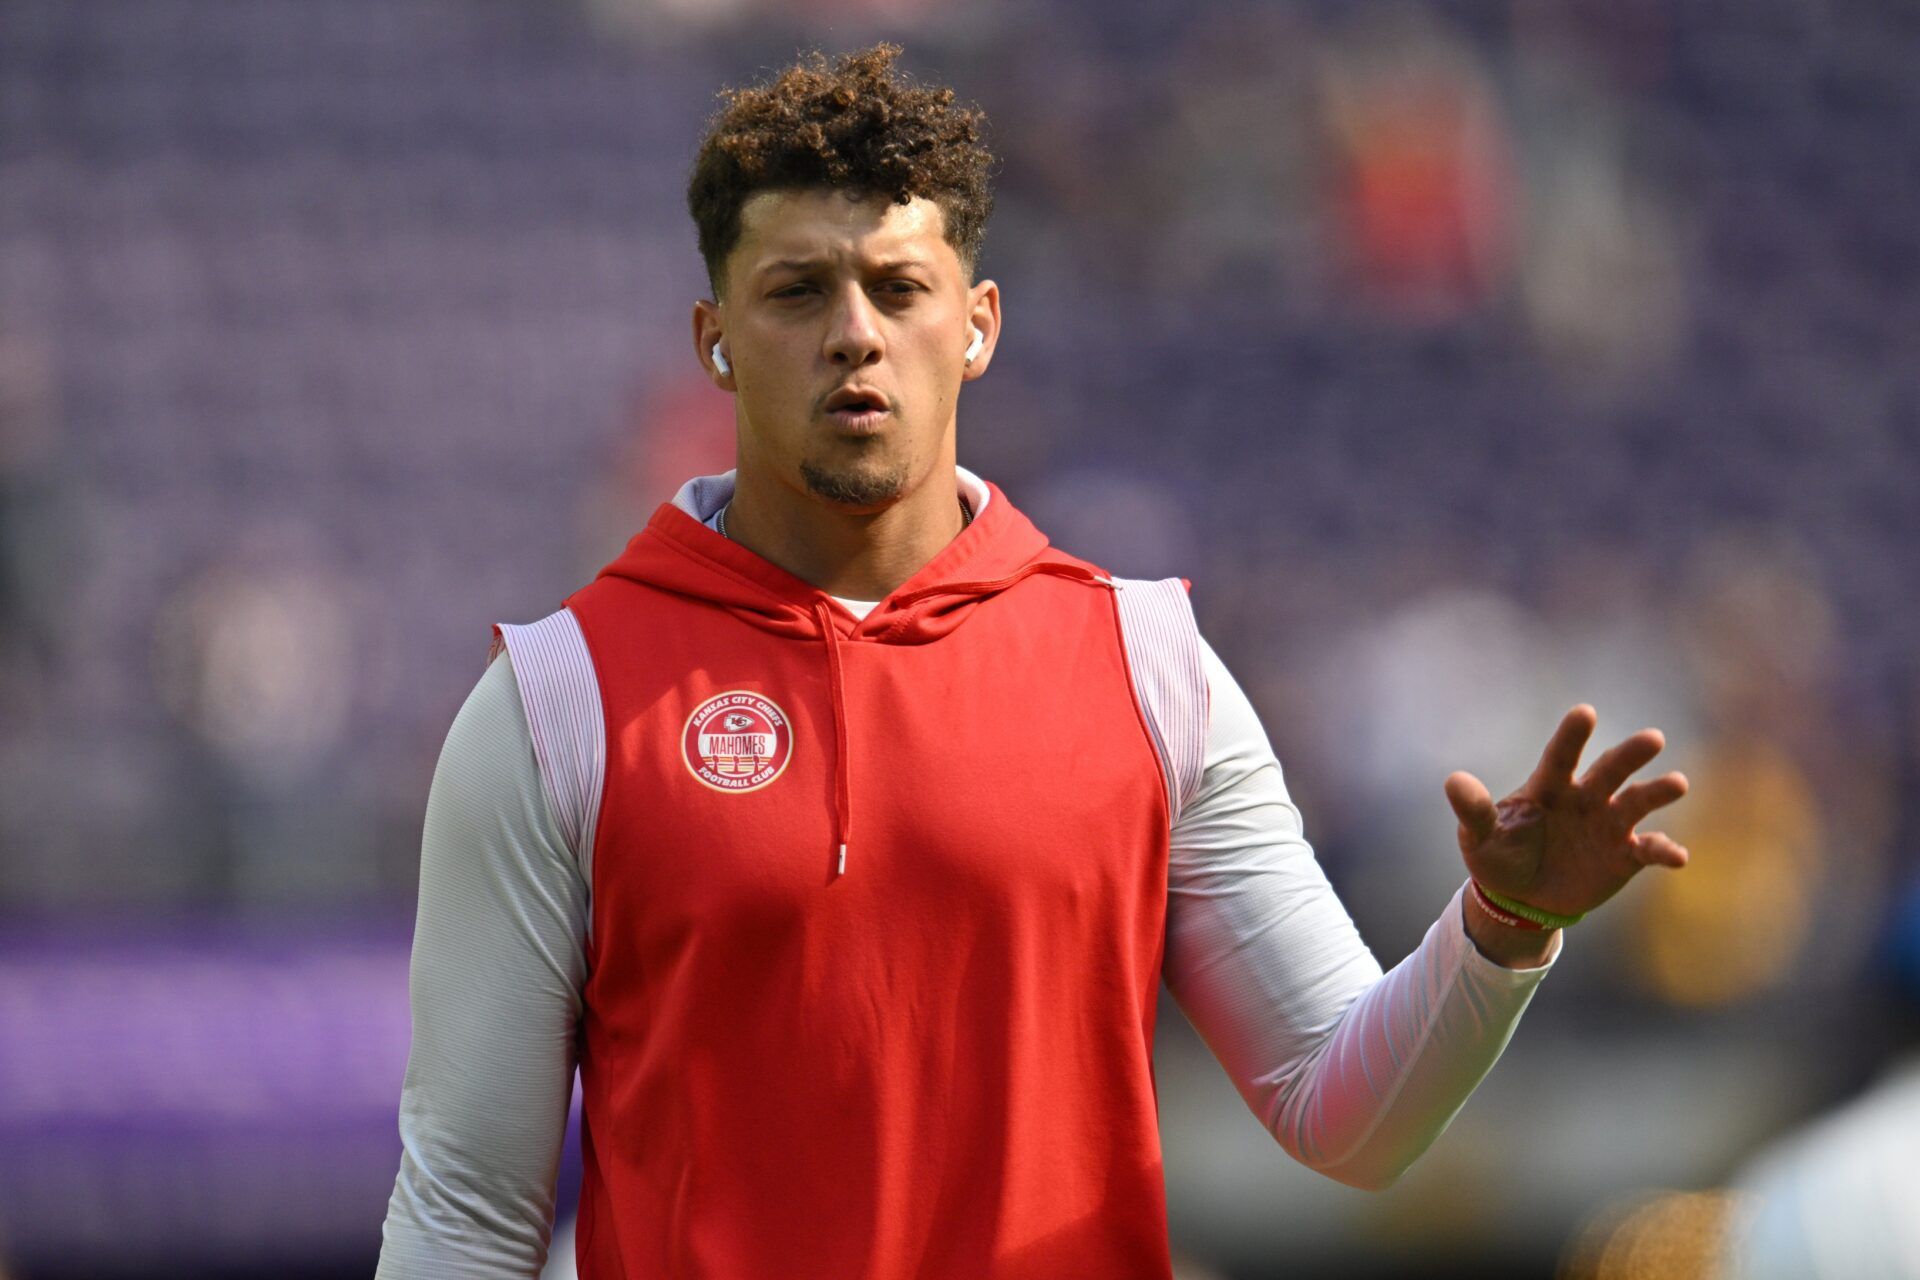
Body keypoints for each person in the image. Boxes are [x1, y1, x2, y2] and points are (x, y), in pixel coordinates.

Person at [375, 43, 1690, 1280]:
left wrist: (1502, 932)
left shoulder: (1146, 667)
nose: (853, 333)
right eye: (795, 292)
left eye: (898, 288)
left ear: (979, 323)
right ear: (714, 335)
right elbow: (466, 1207)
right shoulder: (558, 704)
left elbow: (1345, 1111)